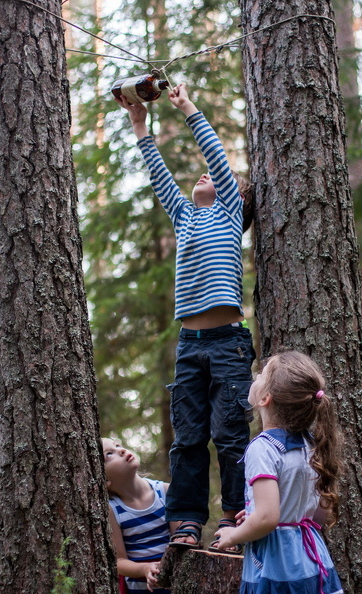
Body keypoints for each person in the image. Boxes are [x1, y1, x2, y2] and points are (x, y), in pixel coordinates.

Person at [114, 83, 255, 552]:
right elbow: (158, 175)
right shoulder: (184, 217)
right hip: (190, 346)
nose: (200, 177)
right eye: (195, 176)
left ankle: (236, 515)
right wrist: (140, 126)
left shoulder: (230, 213)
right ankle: (188, 521)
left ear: (231, 192)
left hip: (229, 342)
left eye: (209, 177)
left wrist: (189, 107)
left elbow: (215, 156)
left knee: (230, 435)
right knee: (188, 439)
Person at [215, 350, 344, 593]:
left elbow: (267, 518)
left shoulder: (263, 448)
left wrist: (234, 535)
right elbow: (319, 516)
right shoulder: (311, 444)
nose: (256, 375)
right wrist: (254, 515)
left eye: (262, 374)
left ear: (265, 398)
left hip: (278, 565)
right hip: (313, 561)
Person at [102, 438, 171, 593]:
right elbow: (119, 561)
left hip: (177, 586)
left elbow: (181, 542)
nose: (121, 450)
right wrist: (144, 569)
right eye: (109, 454)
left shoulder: (166, 492)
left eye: (118, 445)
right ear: (105, 480)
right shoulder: (112, 510)